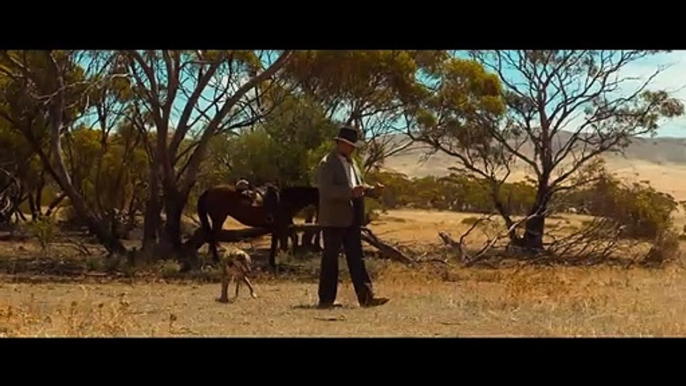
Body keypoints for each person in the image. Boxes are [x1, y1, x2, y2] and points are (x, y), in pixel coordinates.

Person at [314, 125, 389, 309]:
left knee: (357, 257)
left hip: (352, 216)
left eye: (353, 146)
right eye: (348, 145)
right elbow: (327, 191)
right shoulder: (327, 164)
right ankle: (326, 300)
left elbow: (358, 186)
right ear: (339, 143)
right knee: (330, 259)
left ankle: (366, 298)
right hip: (333, 218)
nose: (351, 149)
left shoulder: (353, 163)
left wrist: (372, 191)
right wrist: (349, 192)